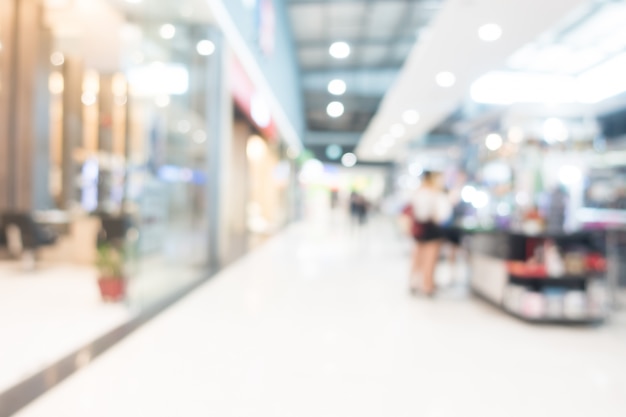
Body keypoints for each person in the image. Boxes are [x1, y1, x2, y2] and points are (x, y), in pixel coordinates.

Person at [409, 171, 452, 297]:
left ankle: (415, 283)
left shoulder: (418, 192)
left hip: (419, 229)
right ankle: (427, 286)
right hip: (431, 229)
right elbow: (440, 214)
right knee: (430, 259)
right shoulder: (434, 194)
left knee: (418, 257)